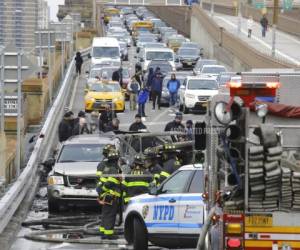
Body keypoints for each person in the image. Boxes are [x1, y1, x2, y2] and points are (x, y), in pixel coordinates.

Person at [96, 148, 122, 239]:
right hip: (111, 196)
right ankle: (109, 234)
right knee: (110, 215)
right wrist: (105, 190)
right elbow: (109, 183)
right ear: (116, 159)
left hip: (105, 196)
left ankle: (103, 232)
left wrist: (102, 192)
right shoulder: (114, 169)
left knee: (105, 214)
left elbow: (101, 182)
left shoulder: (106, 168)